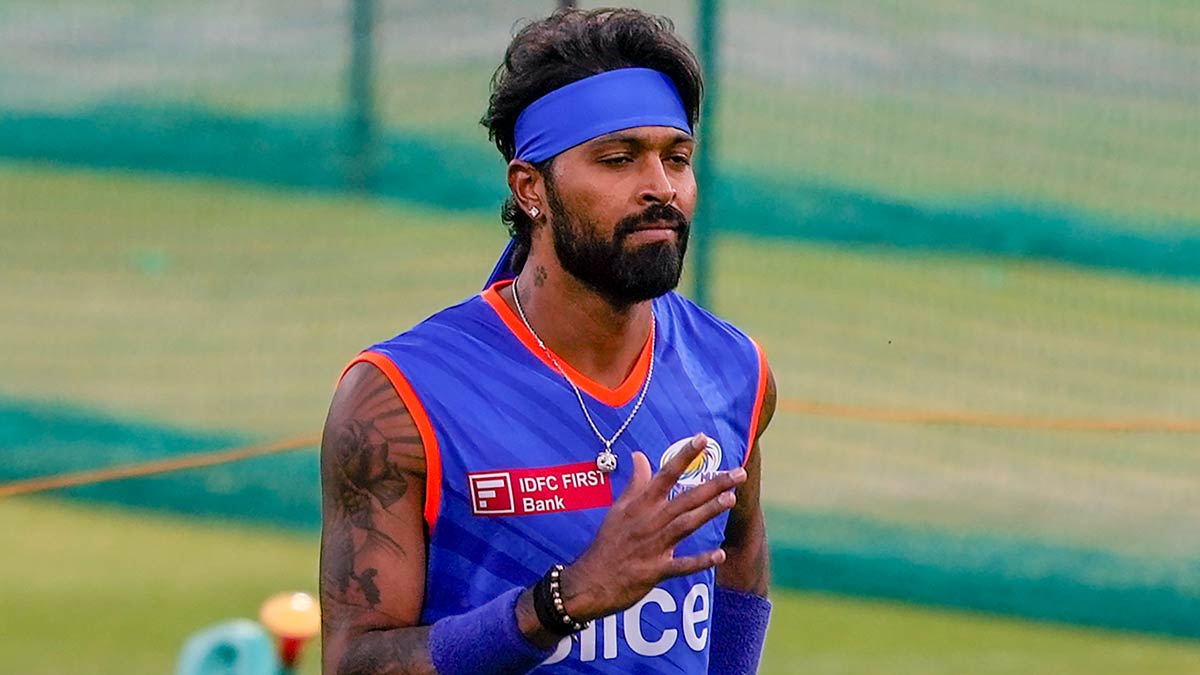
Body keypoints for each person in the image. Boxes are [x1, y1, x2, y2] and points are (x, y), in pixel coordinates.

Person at [319, 8, 776, 674]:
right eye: (618, 160)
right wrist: (562, 602)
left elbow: (740, 562)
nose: (661, 188)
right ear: (530, 188)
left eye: (677, 158)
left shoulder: (734, 369)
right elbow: (354, 662)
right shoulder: (402, 397)